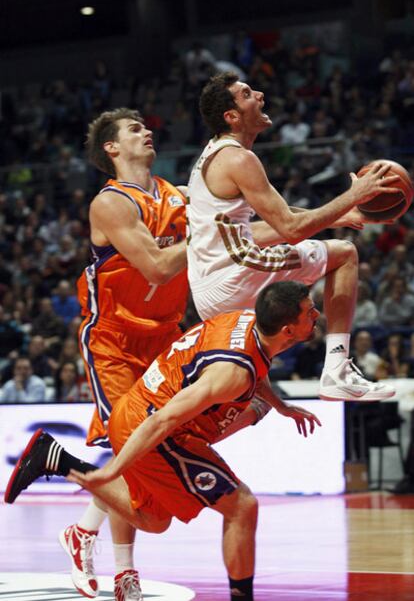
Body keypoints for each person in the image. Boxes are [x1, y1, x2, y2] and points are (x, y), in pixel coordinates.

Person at [5, 281, 322, 601]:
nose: (318, 315)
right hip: (154, 428)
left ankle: (57, 459)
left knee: (155, 521)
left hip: (148, 415)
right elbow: (163, 420)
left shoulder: (247, 322)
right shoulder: (231, 375)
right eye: (310, 313)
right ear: (288, 330)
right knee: (242, 506)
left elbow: (257, 365)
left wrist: (281, 406)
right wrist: (113, 469)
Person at [186, 71, 398, 402]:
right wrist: (356, 195)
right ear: (231, 116)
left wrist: (338, 214)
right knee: (344, 254)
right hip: (234, 276)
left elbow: (260, 228)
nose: (259, 95)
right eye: (246, 94)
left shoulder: (213, 155)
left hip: (207, 290)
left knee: (243, 393)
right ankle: (336, 371)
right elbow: (291, 230)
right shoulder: (239, 158)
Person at [60, 108, 188, 600]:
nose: (147, 131)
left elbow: (239, 216)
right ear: (111, 149)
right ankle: (123, 570)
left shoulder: (177, 196)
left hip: (165, 337)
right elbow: (156, 268)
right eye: (133, 129)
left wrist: (320, 220)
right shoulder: (109, 203)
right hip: (113, 340)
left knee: (140, 451)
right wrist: (205, 236)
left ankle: (83, 531)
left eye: (145, 126)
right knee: (129, 446)